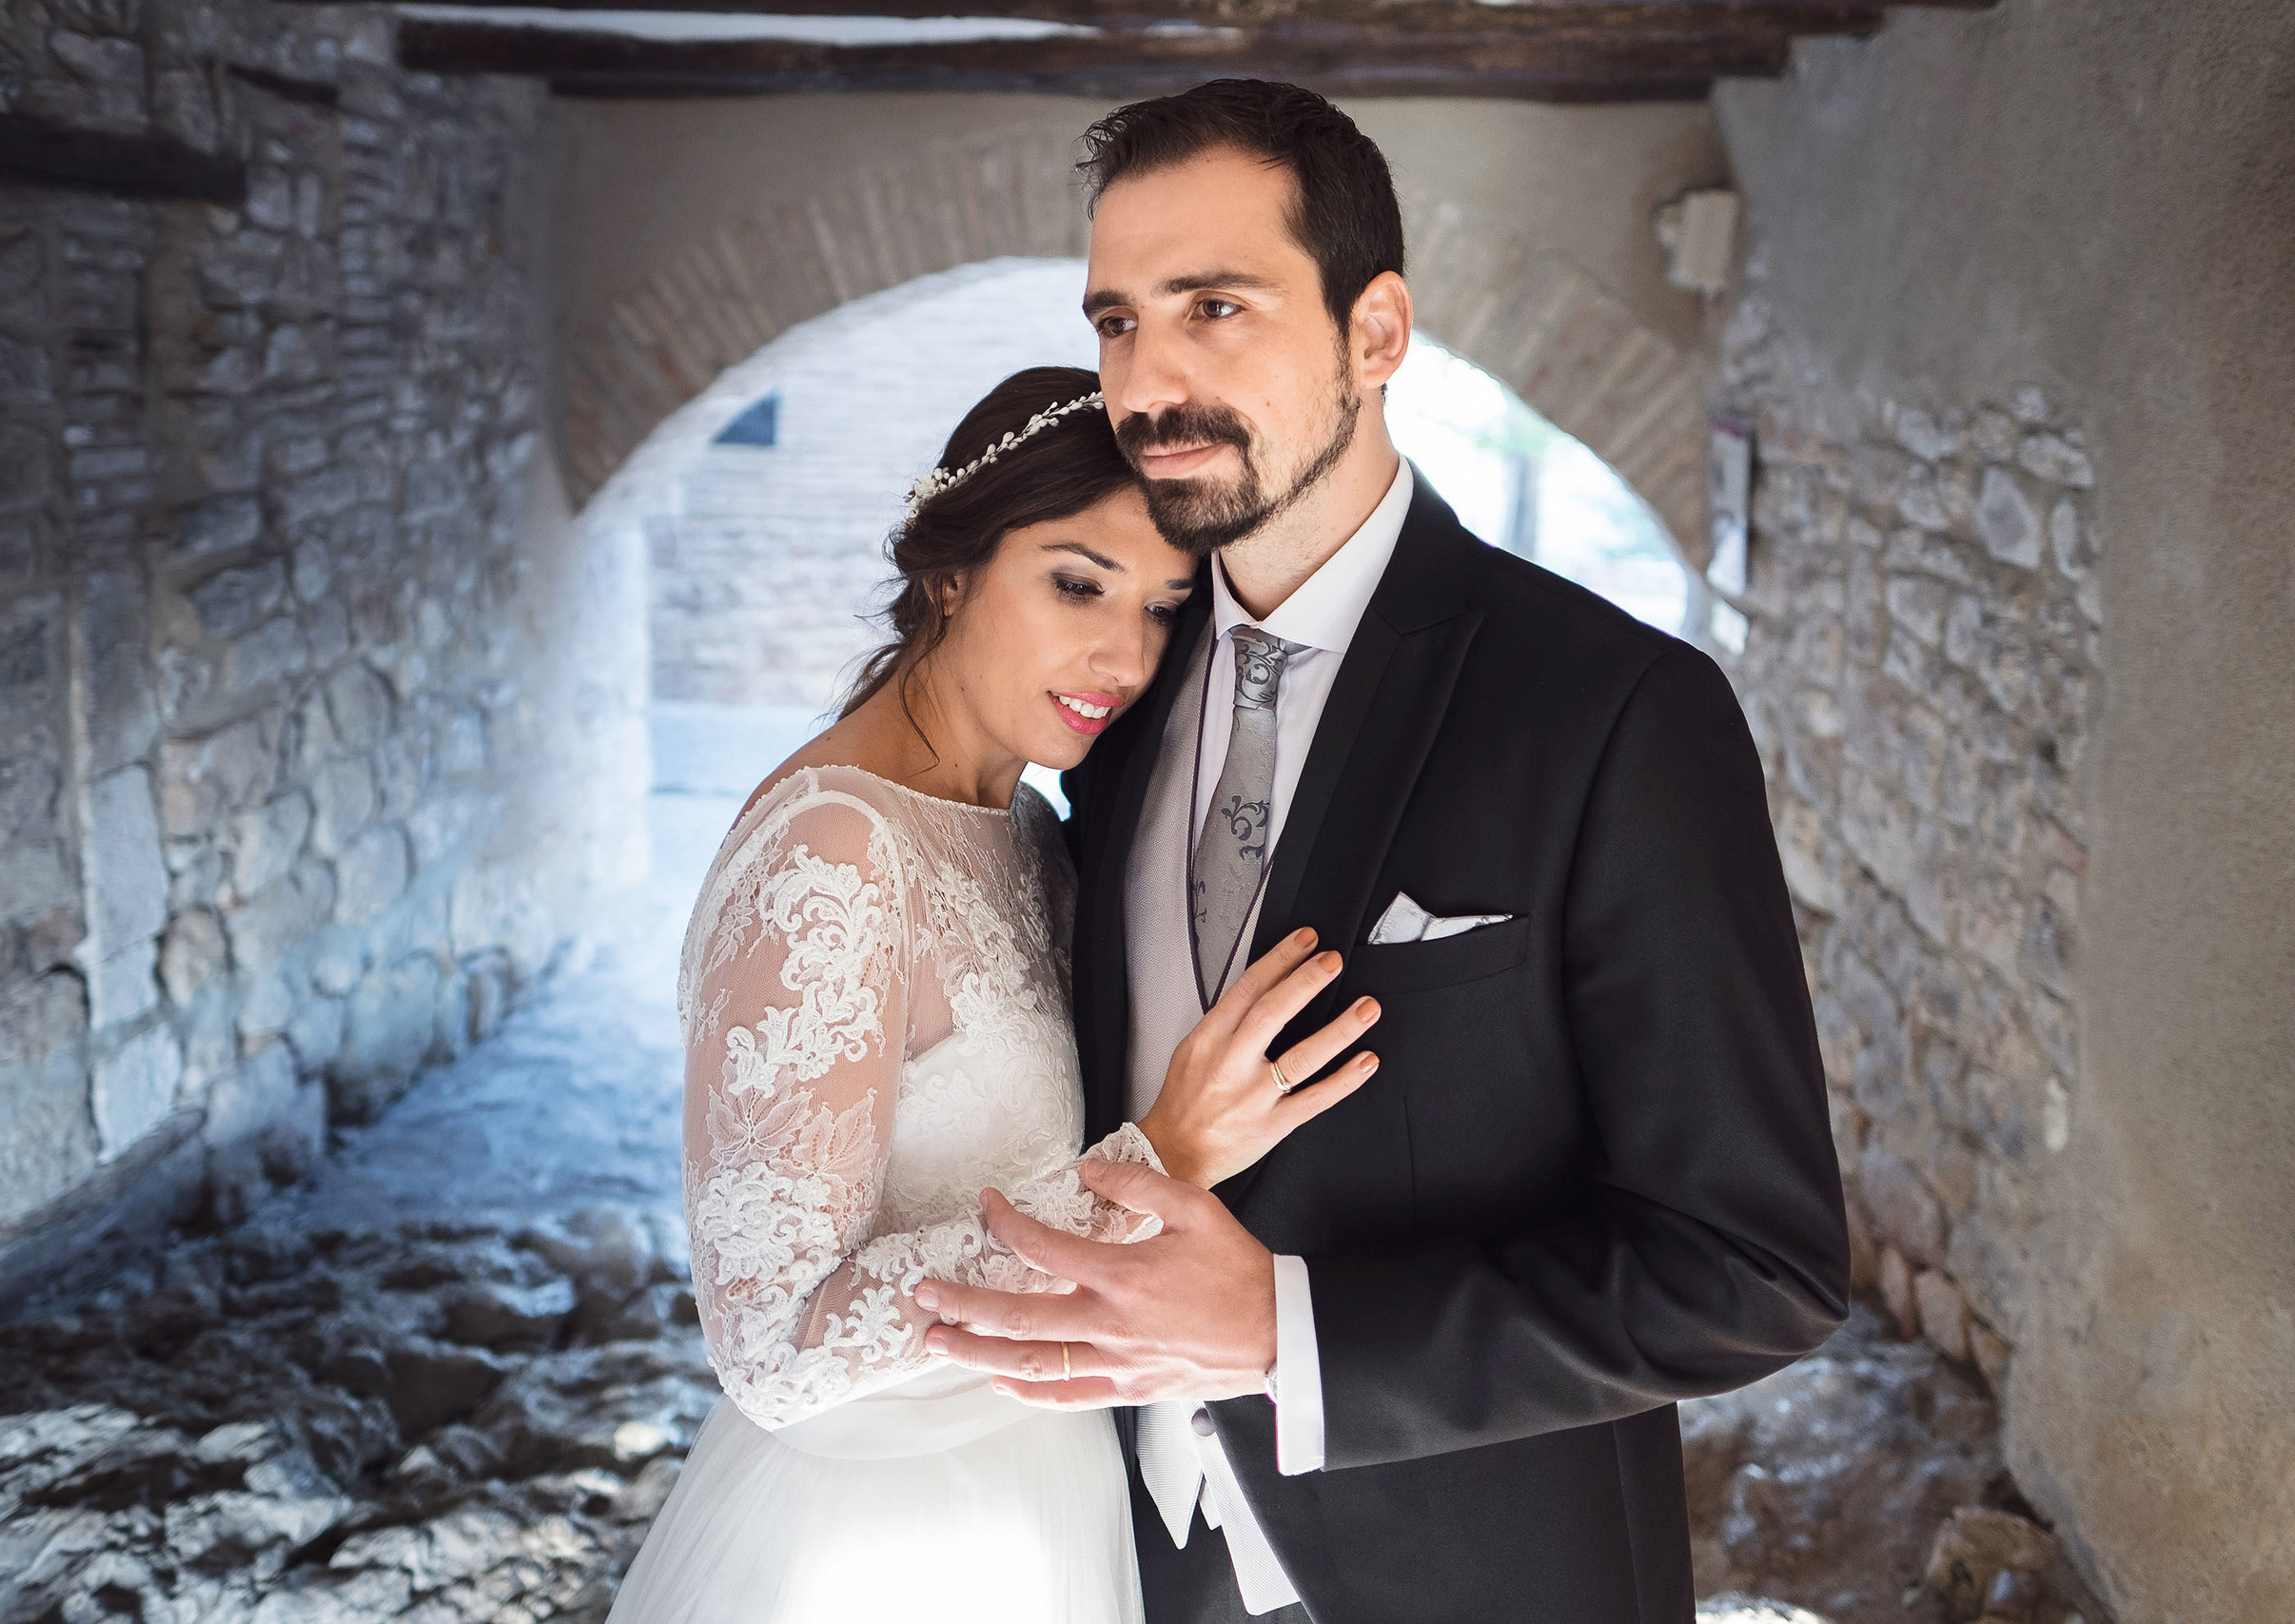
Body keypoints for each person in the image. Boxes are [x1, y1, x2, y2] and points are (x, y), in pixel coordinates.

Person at [914, 82, 1854, 1622]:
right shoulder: (1111, 706)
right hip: (1111, 1564)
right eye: (1119, 320)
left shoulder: (1616, 709)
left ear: (1376, 332)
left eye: (1216, 306)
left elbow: (1755, 1267)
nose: (1151, 381)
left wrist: (1288, 1331)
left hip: (1475, 1576)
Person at [607, 366, 1383, 1624]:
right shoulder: (833, 852)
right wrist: (1161, 1158)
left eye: (1162, 608)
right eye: (1078, 583)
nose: (1122, 656)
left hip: (1049, 1494)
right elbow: (775, 1343)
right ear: (951, 570)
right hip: (889, 1538)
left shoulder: (1025, 826)